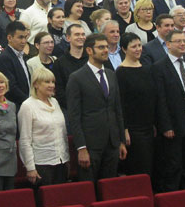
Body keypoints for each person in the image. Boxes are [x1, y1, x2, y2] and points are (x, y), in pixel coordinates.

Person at [67, 33, 127, 182]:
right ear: (89, 50)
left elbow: (117, 110)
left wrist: (121, 141)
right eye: (101, 47)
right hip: (91, 145)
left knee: (109, 188)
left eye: (106, 47)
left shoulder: (111, 75)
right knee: (88, 188)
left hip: (112, 143)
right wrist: (81, 148)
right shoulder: (77, 78)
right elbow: (74, 116)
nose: (105, 50)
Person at [153, 30, 185, 193]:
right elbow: (160, 100)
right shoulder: (159, 67)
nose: (182, 44)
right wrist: (166, 126)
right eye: (178, 41)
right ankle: (172, 197)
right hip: (173, 124)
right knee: (173, 164)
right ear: (168, 44)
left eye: (184, 41)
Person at [18, 67, 70, 187]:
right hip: (41, 165)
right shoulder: (27, 106)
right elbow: (25, 140)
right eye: (47, 82)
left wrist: (66, 159)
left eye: (53, 82)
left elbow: (62, 133)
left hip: (61, 162)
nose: (51, 85)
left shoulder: (55, 102)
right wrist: (30, 167)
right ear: (36, 84)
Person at [115, 32, 157, 176]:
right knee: (139, 166)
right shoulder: (121, 72)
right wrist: (125, 130)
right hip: (133, 129)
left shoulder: (147, 68)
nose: (138, 49)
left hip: (149, 125)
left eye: (140, 45)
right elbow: (121, 103)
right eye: (134, 46)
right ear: (124, 49)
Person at [0, 20, 32, 108]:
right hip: (15, 106)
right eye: (20, 37)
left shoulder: (21, 55)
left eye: (25, 37)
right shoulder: (5, 58)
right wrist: (29, 102)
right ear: (9, 38)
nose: (24, 41)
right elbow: (11, 87)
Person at [53, 24, 87, 110]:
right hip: (71, 109)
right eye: (77, 34)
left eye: (83, 34)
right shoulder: (59, 63)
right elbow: (59, 91)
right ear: (68, 38)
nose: (81, 37)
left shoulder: (92, 59)